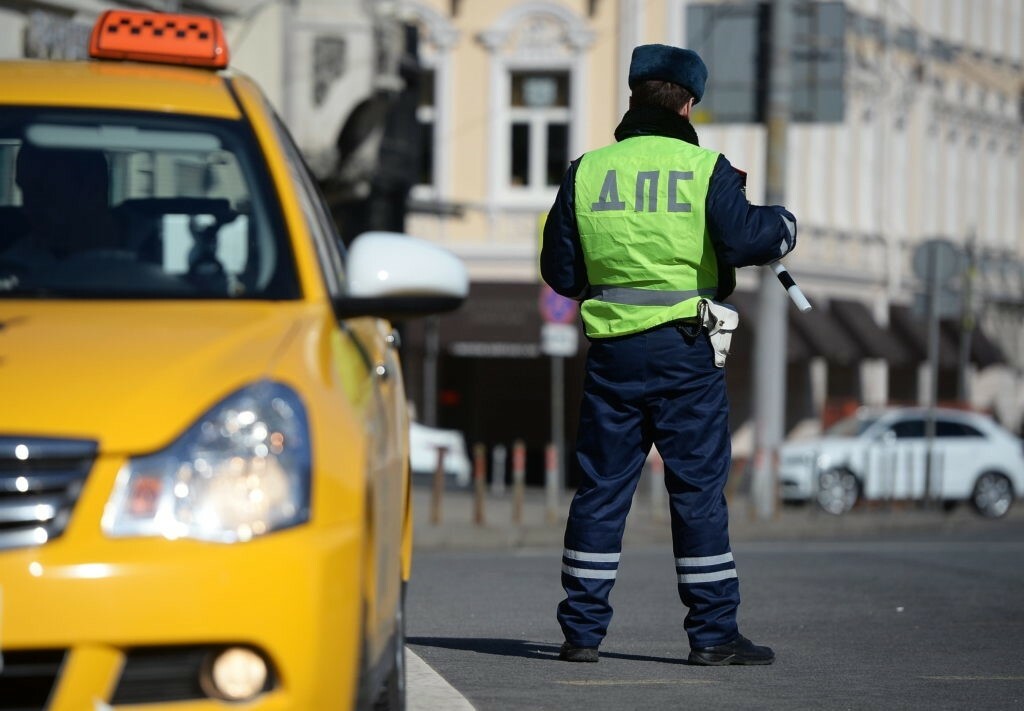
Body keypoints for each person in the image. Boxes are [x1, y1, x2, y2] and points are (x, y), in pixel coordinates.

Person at [541, 44, 797, 666]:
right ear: (687, 103)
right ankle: (712, 636)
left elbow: (560, 271)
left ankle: (581, 633)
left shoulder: (586, 170)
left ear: (635, 96)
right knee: (697, 493)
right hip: (687, 351)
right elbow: (744, 238)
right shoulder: (706, 168)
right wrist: (783, 224)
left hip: (613, 354)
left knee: (601, 492)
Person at [2, 142, 118, 265]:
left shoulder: (139, 248)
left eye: (43, 192)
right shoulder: (17, 265)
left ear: (92, 189)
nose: (27, 208)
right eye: (25, 191)